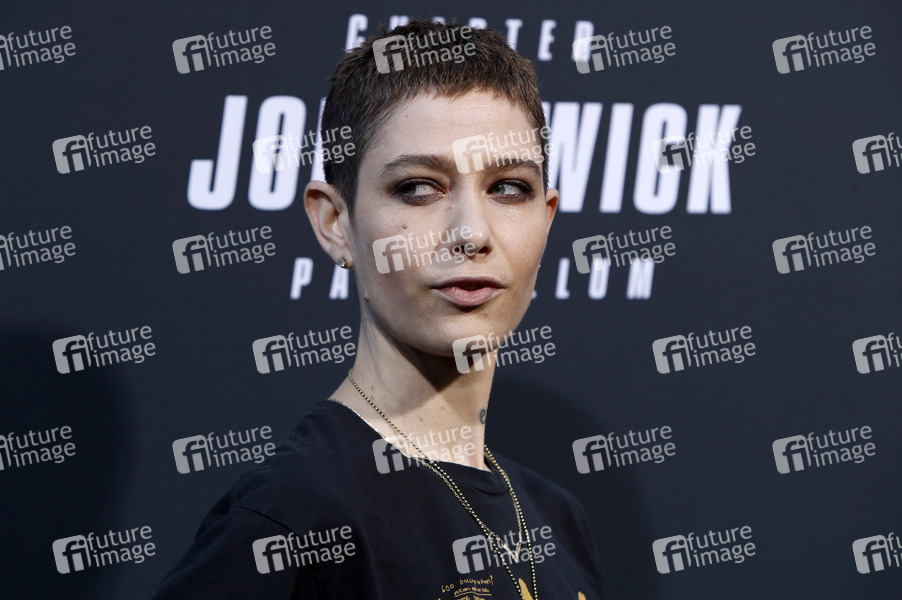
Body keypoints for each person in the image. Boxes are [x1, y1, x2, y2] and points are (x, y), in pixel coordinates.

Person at [152, 20, 605, 599]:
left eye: (509, 188)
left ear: (546, 218)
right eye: (418, 188)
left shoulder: (558, 519)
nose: (472, 233)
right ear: (334, 223)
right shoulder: (292, 515)